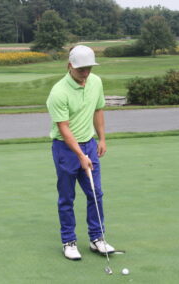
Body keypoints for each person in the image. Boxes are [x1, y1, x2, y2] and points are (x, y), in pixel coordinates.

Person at [46, 45, 115, 260]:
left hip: (89, 144)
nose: (85, 73)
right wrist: (80, 155)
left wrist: (101, 139)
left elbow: (98, 109)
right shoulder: (58, 92)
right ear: (70, 66)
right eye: (81, 69)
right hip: (65, 149)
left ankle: (97, 238)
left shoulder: (96, 82)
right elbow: (64, 128)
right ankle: (69, 241)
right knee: (67, 197)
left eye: (89, 69)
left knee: (96, 193)